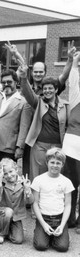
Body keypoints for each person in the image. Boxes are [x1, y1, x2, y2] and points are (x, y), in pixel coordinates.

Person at [19, 63, 68, 180]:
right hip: (39, 146)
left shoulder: (65, 105)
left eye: (50, 88)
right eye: (45, 88)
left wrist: (71, 60)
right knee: (37, 176)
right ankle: (35, 198)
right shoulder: (38, 102)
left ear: (56, 90)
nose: (47, 91)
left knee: (56, 175)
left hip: (58, 146)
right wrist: (24, 77)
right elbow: (27, 92)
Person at [31, 148, 73, 252]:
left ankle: (59, 235)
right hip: (43, 218)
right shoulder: (38, 180)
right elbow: (35, 203)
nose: (55, 165)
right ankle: (41, 231)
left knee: (62, 247)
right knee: (41, 246)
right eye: (52, 162)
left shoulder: (66, 181)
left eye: (58, 163)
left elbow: (68, 205)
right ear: (47, 162)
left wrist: (62, 226)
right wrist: (44, 225)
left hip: (59, 219)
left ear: (62, 164)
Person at [0, 158, 33, 244]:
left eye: (11, 171)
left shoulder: (23, 182)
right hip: (3, 212)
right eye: (5, 173)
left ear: (16, 170)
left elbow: (31, 202)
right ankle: (1, 233)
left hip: (16, 215)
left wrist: (27, 190)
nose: (9, 175)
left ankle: (9, 229)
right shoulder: (2, 182)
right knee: (8, 212)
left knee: (18, 240)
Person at [61, 51, 80, 230]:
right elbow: (73, 81)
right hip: (73, 143)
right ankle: (70, 218)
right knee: (71, 182)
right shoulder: (76, 99)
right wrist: (75, 61)